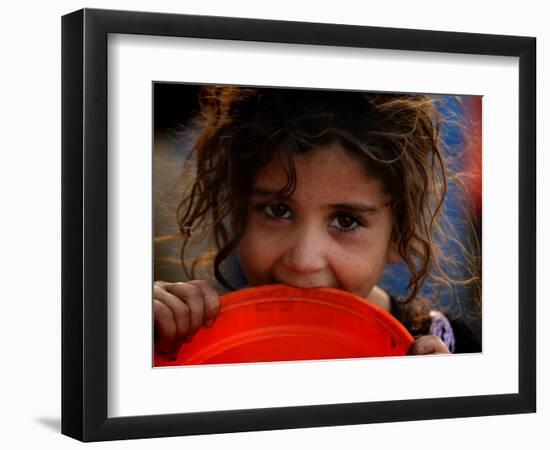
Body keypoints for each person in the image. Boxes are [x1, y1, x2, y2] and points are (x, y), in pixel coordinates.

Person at [153, 86, 481, 360]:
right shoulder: (193, 340)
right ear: (238, 212)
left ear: (398, 235)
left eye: (346, 220)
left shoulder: (450, 354)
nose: (304, 261)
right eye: (277, 211)